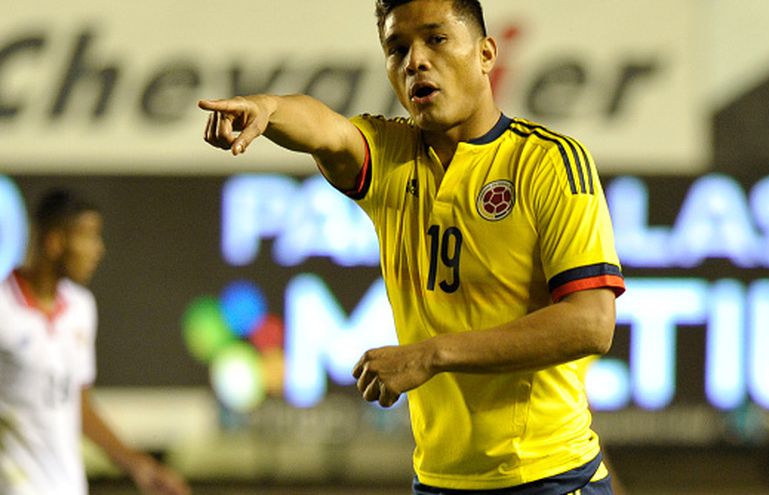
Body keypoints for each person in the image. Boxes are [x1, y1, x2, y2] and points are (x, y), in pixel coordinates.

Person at [199, 0, 625, 493]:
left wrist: (431, 354)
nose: (415, 61)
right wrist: (269, 108)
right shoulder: (389, 154)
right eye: (397, 48)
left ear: (486, 54)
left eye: (436, 39)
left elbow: (591, 323)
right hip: (439, 480)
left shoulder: (548, 163)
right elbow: (324, 129)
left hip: (549, 476)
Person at [0, 189, 192, 495]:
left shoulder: (81, 307)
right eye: (87, 236)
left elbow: (78, 406)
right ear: (54, 241)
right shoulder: (3, 308)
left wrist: (139, 465)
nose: (98, 249)